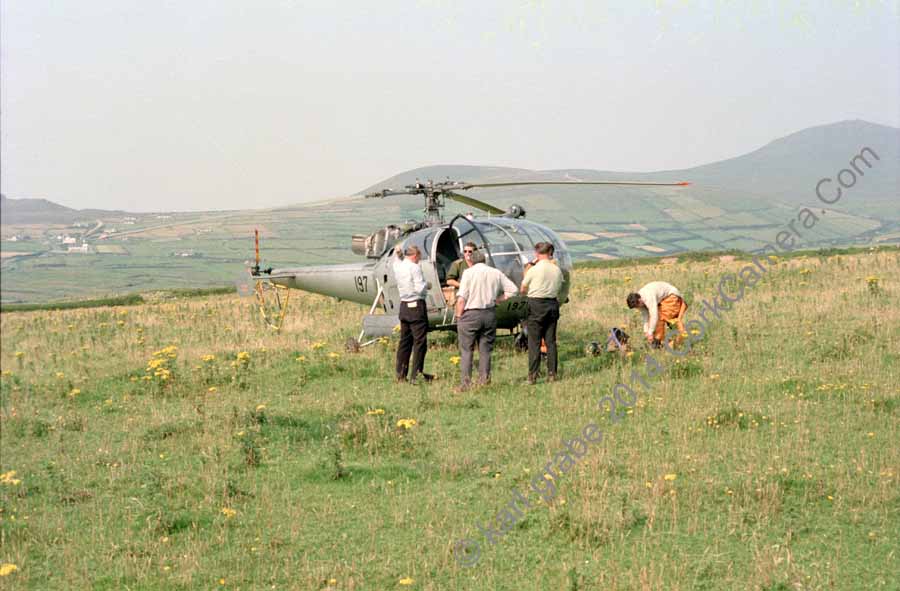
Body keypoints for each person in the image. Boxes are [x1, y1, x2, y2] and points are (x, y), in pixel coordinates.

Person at [454, 249, 518, 390]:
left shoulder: (468, 273)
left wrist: (459, 316)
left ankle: (465, 384)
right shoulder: (495, 272)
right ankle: (484, 380)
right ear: (485, 260)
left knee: (466, 351)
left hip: (470, 314)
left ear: (471, 261)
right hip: (489, 313)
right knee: (486, 350)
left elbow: (462, 298)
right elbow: (513, 289)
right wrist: (498, 300)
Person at [520, 242, 564, 384]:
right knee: (551, 341)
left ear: (536, 254)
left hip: (536, 304)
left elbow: (523, 288)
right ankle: (552, 373)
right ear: (550, 253)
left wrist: (530, 265)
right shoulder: (557, 270)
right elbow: (560, 287)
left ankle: (533, 375)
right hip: (552, 304)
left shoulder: (534, 269)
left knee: (534, 342)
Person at [393, 245, 433, 383]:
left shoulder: (398, 266)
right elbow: (419, 288)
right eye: (419, 257)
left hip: (404, 306)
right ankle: (416, 375)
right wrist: (427, 285)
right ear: (415, 255)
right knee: (420, 342)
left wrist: (398, 252)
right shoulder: (414, 267)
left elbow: (396, 259)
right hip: (416, 306)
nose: (419, 260)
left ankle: (400, 374)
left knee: (405, 342)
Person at [626, 281, 688, 348]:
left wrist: (650, 332)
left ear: (640, 300)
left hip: (672, 296)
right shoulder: (638, 302)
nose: (638, 308)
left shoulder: (648, 297)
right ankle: (661, 343)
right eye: (636, 307)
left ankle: (663, 342)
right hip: (663, 299)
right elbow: (645, 316)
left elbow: (654, 315)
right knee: (654, 321)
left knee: (659, 317)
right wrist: (646, 331)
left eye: (637, 306)